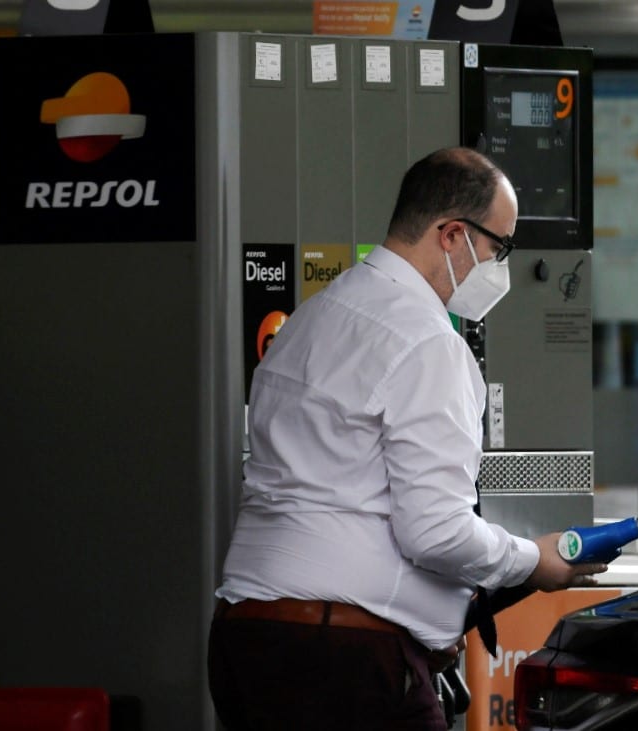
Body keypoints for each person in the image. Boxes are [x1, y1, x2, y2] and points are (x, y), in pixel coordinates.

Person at [207, 147, 608, 730]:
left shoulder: (313, 319)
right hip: (344, 661)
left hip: (247, 639)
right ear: (452, 235)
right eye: (498, 249)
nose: (499, 269)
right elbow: (436, 533)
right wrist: (531, 561)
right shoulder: (427, 342)